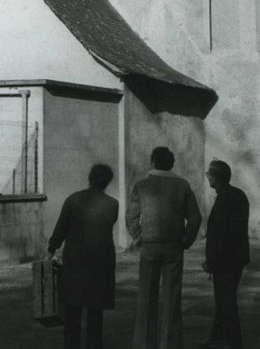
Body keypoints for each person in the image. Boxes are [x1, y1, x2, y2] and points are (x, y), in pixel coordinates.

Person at [127, 146, 202, 349]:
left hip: (149, 245)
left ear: (152, 162)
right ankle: (169, 344)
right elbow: (195, 217)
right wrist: (187, 239)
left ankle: (143, 344)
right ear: (172, 164)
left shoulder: (141, 185)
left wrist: (139, 236)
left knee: (146, 296)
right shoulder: (182, 185)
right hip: (173, 246)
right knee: (171, 297)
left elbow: (131, 217)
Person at [47, 163, 118, 349]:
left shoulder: (73, 200)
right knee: (96, 313)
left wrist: (51, 250)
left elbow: (61, 228)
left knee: (72, 310)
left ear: (90, 178)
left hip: (75, 261)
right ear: (107, 182)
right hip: (101, 262)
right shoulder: (112, 204)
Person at [199, 159, 250, 349]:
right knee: (223, 300)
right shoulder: (236, 195)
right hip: (236, 257)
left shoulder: (225, 199)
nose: (208, 178)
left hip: (226, 260)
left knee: (225, 300)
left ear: (215, 178)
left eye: (209, 175)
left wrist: (211, 262)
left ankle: (231, 341)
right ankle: (218, 337)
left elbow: (221, 236)